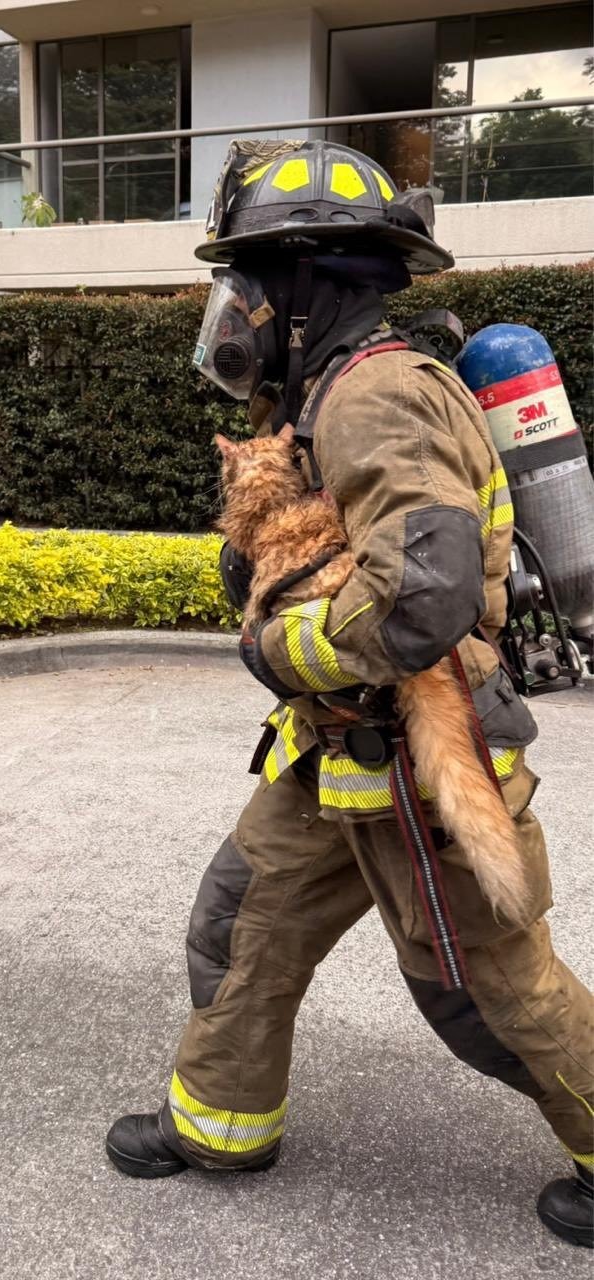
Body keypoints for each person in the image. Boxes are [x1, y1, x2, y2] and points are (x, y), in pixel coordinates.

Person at [106, 140, 593, 1249]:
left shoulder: (375, 395)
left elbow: (421, 599)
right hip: (338, 751)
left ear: (305, 282)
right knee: (243, 922)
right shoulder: (331, 390)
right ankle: (221, 1124)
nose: (238, 309)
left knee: (489, 986)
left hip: (421, 751)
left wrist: (280, 649)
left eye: (250, 278)